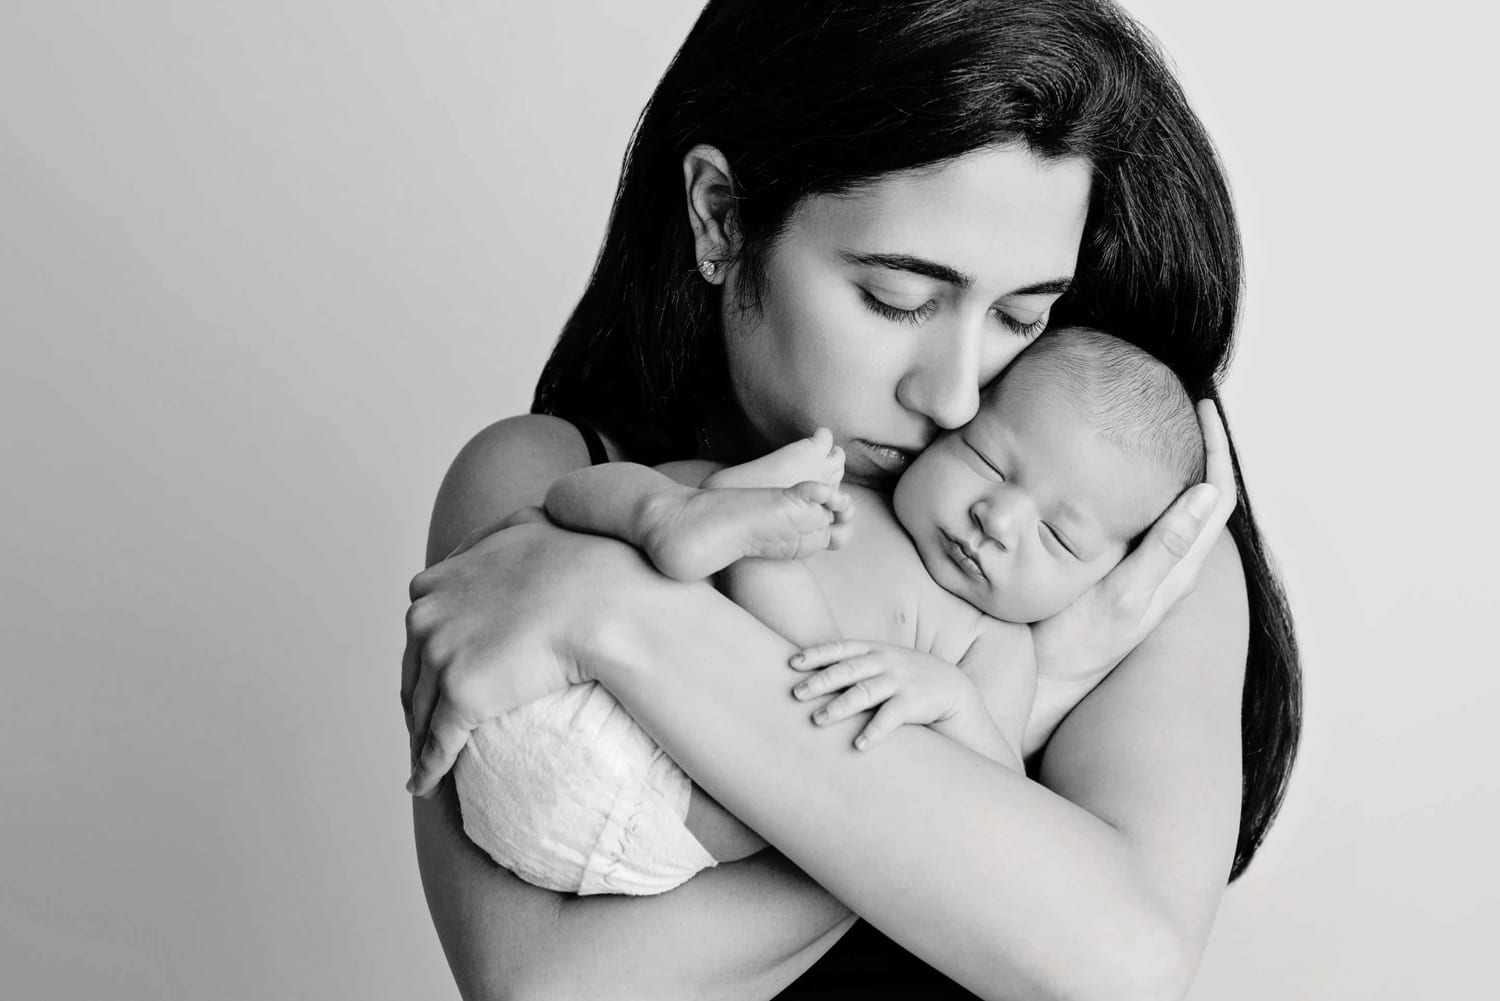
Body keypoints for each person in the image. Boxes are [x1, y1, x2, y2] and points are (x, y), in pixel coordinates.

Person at [401, 1, 1302, 998]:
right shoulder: (540, 471)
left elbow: (1119, 964)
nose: (955, 394)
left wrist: (617, 614)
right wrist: (1017, 706)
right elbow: (551, 984)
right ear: (721, 216)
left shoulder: (1114, 532)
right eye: (898, 298)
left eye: (1019, 314)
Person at [454, 327, 1210, 899]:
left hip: (658, 806)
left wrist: (950, 701)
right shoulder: (844, 483)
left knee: (798, 668)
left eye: (1056, 534)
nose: (998, 518)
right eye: (987, 461)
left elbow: (990, 802)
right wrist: (680, 504)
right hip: (540, 700)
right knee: (652, 497)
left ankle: (703, 534)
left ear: (1102, 575)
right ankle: (669, 520)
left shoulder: (994, 647)